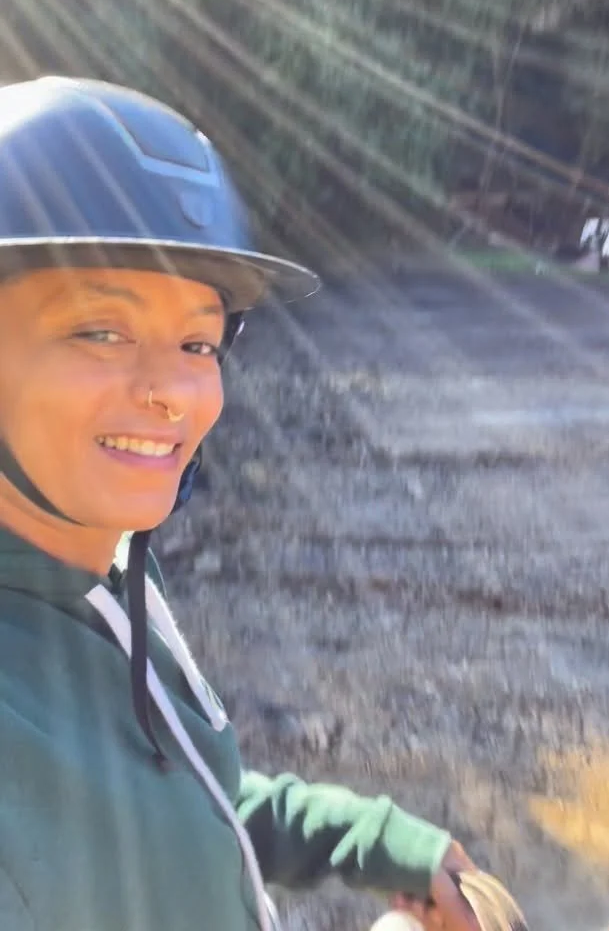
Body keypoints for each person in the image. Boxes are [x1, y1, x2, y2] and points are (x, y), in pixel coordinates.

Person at [0, 76, 483, 931]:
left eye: (199, 341)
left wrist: (366, 838)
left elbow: (170, 803)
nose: (174, 393)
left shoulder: (104, 574)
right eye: (101, 331)